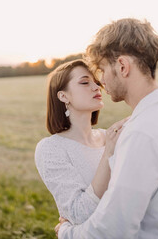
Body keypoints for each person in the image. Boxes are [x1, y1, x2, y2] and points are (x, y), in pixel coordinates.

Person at [56, 18, 158, 238]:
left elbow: (113, 229)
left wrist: (66, 232)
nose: (101, 81)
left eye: (102, 69)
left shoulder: (141, 131)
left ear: (122, 66)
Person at [35, 59, 128, 227]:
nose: (96, 87)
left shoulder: (110, 137)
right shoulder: (51, 149)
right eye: (85, 82)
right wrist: (108, 153)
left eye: (96, 82)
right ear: (63, 96)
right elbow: (79, 214)